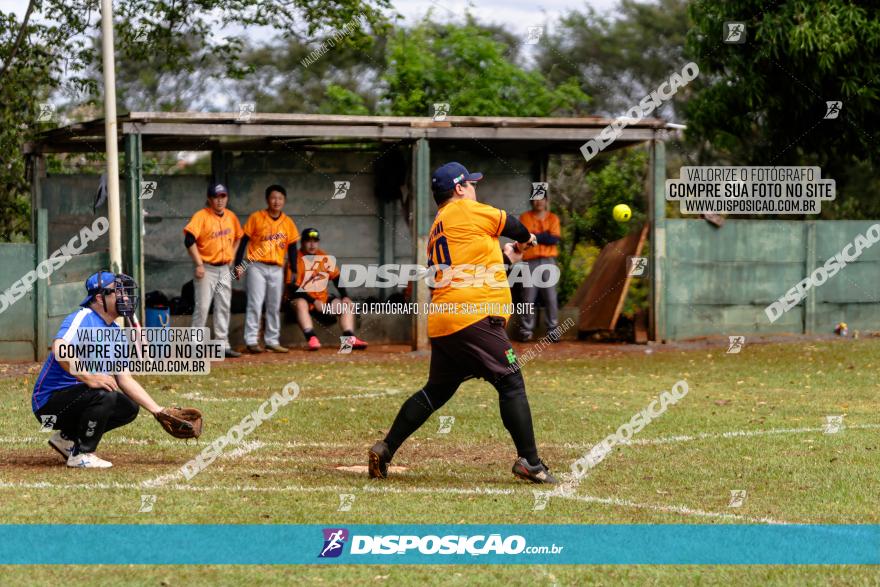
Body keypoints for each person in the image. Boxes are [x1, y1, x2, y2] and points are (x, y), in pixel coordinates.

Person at [368, 162, 558, 484]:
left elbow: (472, 267)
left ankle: (386, 448)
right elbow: (511, 222)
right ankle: (531, 463)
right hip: (472, 317)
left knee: (435, 392)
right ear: (458, 189)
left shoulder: (439, 225)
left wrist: (509, 257)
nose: (473, 188)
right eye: (469, 183)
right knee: (511, 382)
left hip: (447, 321)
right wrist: (527, 238)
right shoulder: (466, 210)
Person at [31, 271, 166, 468]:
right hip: (48, 406)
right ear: (99, 298)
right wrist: (89, 377)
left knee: (128, 407)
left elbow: (125, 379)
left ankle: (66, 438)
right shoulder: (83, 317)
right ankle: (82, 454)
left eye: (125, 292)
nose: (125, 297)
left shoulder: (117, 333)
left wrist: (158, 411)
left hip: (79, 398)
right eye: (118, 292)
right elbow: (60, 348)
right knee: (104, 393)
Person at [235, 184, 300, 354]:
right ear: (267, 199)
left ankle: (272, 340)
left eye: (280, 198)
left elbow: (292, 246)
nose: (276, 201)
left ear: (284, 201)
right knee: (255, 304)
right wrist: (239, 265)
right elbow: (243, 241)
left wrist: (294, 268)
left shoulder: (287, 222)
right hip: (257, 265)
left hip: (277, 268)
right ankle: (251, 340)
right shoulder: (256, 217)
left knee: (274, 306)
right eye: (273, 197)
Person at [184, 182, 244, 358]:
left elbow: (239, 237)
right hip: (207, 269)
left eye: (223, 196)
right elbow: (189, 240)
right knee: (202, 307)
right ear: (209, 199)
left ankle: (222, 345)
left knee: (223, 306)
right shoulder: (201, 216)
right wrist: (199, 264)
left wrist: (233, 257)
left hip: (224, 268)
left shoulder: (231, 217)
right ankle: (194, 346)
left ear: (227, 198)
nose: (219, 200)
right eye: (216, 197)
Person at [288, 227, 368, 351]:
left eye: (315, 241)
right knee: (301, 303)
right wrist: (313, 301)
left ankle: (348, 340)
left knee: (345, 305)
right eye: (308, 241)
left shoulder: (322, 256)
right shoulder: (295, 259)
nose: (312, 244)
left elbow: (336, 277)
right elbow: (292, 288)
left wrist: (345, 295)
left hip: (321, 300)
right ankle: (312, 338)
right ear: (302, 242)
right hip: (301, 301)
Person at [517, 194, 561, 342]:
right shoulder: (524, 217)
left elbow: (553, 239)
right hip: (530, 262)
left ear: (547, 200)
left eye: (542, 198)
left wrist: (536, 236)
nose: (539, 201)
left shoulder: (553, 218)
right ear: (531, 201)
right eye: (536, 198)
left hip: (549, 261)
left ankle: (552, 331)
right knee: (527, 298)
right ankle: (525, 331)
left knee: (551, 297)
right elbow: (526, 238)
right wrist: (543, 236)